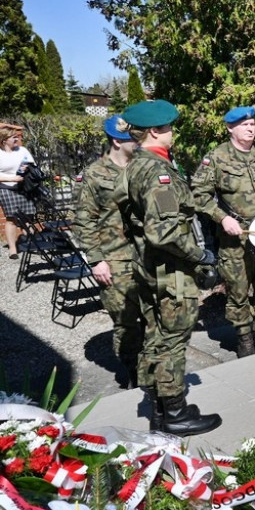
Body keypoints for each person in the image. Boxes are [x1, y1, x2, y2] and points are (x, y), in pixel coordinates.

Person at [118, 99, 222, 436]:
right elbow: (163, 231)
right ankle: (176, 413)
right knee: (173, 339)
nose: (173, 133)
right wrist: (199, 255)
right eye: (169, 127)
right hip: (169, 270)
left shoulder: (139, 165)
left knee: (157, 335)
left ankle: (161, 407)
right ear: (154, 131)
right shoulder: (156, 171)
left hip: (151, 266)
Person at [192, 106, 255, 358]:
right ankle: (244, 339)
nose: (251, 128)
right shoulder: (216, 158)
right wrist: (222, 217)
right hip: (235, 238)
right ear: (230, 128)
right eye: (245, 125)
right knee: (237, 290)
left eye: (253, 124)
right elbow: (197, 195)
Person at [73, 115, 144, 389]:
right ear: (117, 140)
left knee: (153, 317)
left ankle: (153, 371)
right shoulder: (94, 174)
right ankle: (133, 373)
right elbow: (83, 220)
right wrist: (96, 259)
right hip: (114, 261)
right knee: (125, 322)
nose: (138, 143)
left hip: (147, 257)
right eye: (133, 139)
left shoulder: (143, 168)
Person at [0, 123, 35, 259]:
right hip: (6, 188)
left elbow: (32, 165)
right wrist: (12, 178)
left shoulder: (22, 150)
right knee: (11, 218)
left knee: (28, 217)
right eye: (13, 137)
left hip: (24, 187)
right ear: (4, 140)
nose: (17, 139)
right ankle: (13, 250)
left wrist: (27, 170)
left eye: (17, 136)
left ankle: (32, 244)